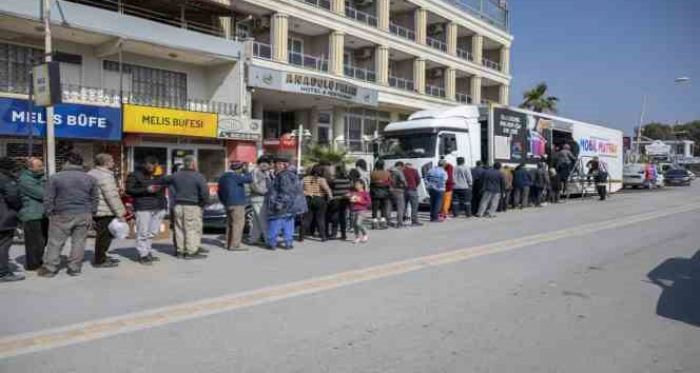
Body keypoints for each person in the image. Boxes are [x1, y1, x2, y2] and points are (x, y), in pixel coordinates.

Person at [37, 152, 98, 277]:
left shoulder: (55, 177)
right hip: (84, 213)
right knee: (79, 242)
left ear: (67, 162)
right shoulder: (90, 178)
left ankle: (50, 268)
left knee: (55, 242)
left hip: (61, 213)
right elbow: (95, 198)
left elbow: (48, 198)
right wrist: (92, 211)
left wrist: (49, 212)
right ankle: (74, 268)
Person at [164, 155, 209, 259]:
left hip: (178, 205)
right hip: (192, 206)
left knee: (179, 229)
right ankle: (191, 252)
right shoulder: (198, 176)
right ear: (193, 163)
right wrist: (202, 204)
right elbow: (205, 193)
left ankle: (180, 251)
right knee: (191, 229)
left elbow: (163, 180)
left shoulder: (175, 175)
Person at [88, 153, 128, 268]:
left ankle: (101, 256)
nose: (113, 163)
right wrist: (120, 213)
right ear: (106, 163)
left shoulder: (92, 173)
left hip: (97, 209)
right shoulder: (105, 176)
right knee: (104, 236)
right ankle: (100, 260)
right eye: (111, 161)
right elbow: (111, 196)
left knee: (102, 235)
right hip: (105, 210)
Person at [126, 156, 168, 265]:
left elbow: (164, 187)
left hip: (159, 206)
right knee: (143, 232)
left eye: (153, 165)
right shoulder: (135, 174)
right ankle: (142, 254)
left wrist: (164, 206)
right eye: (148, 165)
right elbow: (129, 190)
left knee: (152, 232)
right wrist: (146, 189)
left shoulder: (160, 174)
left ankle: (148, 251)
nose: (151, 167)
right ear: (144, 165)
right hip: (143, 206)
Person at [266, 156, 307, 250]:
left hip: (282, 205)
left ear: (282, 165)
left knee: (275, 223)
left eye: (275, 163)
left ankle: (272, 243)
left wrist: (278, 203)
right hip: (291, 205)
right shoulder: (290, 174)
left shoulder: (283, 175)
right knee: (288, 223)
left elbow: (285, 191)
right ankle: (288, 243)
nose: (273, 165)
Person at [18, 157, 47, 271]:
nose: (42, 168)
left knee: (43, 239)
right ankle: (33, 264)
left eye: (42, 165)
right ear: (30, 167)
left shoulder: (40, 178)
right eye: (39, 166)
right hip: (31, 214)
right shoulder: (25, 180)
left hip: (42, 214)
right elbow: (42, 194)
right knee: (34, 242)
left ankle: (38, 260)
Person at [218, 161, 252, 251]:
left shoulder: (223, 177)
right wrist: (246, 170)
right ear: (239, 169)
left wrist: (223, 202)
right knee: (238, 224)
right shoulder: (235, 176)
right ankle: (235, 245)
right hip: (237, 204)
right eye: (241, 169)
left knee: (230, 224)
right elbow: (249, 179)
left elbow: (219, 192)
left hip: (227, 203)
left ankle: (228, 243)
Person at [0, 157, 24, 282]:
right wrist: (19, 208)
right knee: (3, 245)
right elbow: (13, 197)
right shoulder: (6, 179)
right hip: (4, 218)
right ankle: (3, 273)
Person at [301, 164, 332, 241]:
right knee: (320, 219)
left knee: (307, 218)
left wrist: (306, 193)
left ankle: (301, 236)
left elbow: (300, 189)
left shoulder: (305, 179)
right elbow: (327, 190)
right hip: (319, 199)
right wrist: (329, 198)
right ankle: (323, 236)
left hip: (308, 199)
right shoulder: (321, 179)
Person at [248, 156, 272, 245]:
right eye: (263, 162)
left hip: (261, 198)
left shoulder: (265, 172)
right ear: (259, 163)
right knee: (263, 220)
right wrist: (265, 192)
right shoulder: (255, 172)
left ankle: (253, 239)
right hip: (258, 198)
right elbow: (254, 186)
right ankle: (268, 240)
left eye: (267, 163)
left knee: (257, 221)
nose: (265, 164)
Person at [327, 165, 352, 240]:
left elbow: (330, 188)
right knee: (343, 217)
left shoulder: (334, 180)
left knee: (335, 217)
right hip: (345, 200)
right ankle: (343, 234)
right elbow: (349, 188)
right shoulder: (348, 180)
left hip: (336, 200)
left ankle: (334, 234)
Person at [369, 160, 392, 229]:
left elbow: (372, 181)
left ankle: (374, 222)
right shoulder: (387, 173)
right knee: (383, 208)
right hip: (385, 192)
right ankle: (383, 222)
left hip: (375, 192)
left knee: (375, 209)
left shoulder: (373, 173)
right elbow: (390, 182)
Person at [347, 179, 370, 244]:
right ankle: (357, 237)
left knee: (358, 223)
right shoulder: (354, 192)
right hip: (354, 210)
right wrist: (349, 197)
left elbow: (368, 203)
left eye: (358, 184)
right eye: (355, 184)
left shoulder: (365, 193)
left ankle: (365, 234)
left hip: (362, 210)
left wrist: (359, 200)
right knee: (355, 225)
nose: (356, 186)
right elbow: (349, 196)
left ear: (362, 185)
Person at [402, 162, 422, 226]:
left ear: (405, 166)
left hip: (404, 190)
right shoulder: (414, 170)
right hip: (412, 190)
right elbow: (418, 180)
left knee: (403, 206)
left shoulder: (402, 171)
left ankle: (402, 219)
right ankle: (414, 221)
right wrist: (414, 185)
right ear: (411, 166)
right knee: (414, 206)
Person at [389, 161, 407, 228]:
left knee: (388, 207)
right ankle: (400, 223)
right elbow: (403, 181)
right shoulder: (399, 172)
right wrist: (405, 185)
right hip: (398, 190)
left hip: (389, 190)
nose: (403, 169)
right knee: (400, 207)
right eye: (402, 167)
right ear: (400, 166)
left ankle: (387, 222)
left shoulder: (388, 171)